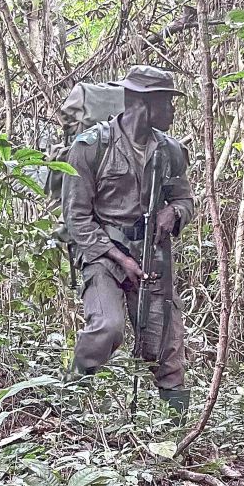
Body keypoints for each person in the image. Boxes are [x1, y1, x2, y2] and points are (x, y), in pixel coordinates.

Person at [60, 65, 195, 416]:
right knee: (108, 327)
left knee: (167, 344)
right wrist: (119, 258)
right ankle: (71, 402)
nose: (173, 111)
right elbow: (76, 216)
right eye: (168, 103)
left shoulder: (170, 152)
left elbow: (185, 200)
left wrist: (174, 213)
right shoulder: (91, 147)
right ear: (143, 104)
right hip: (104, 254)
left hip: (151, 255)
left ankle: (177, 427)